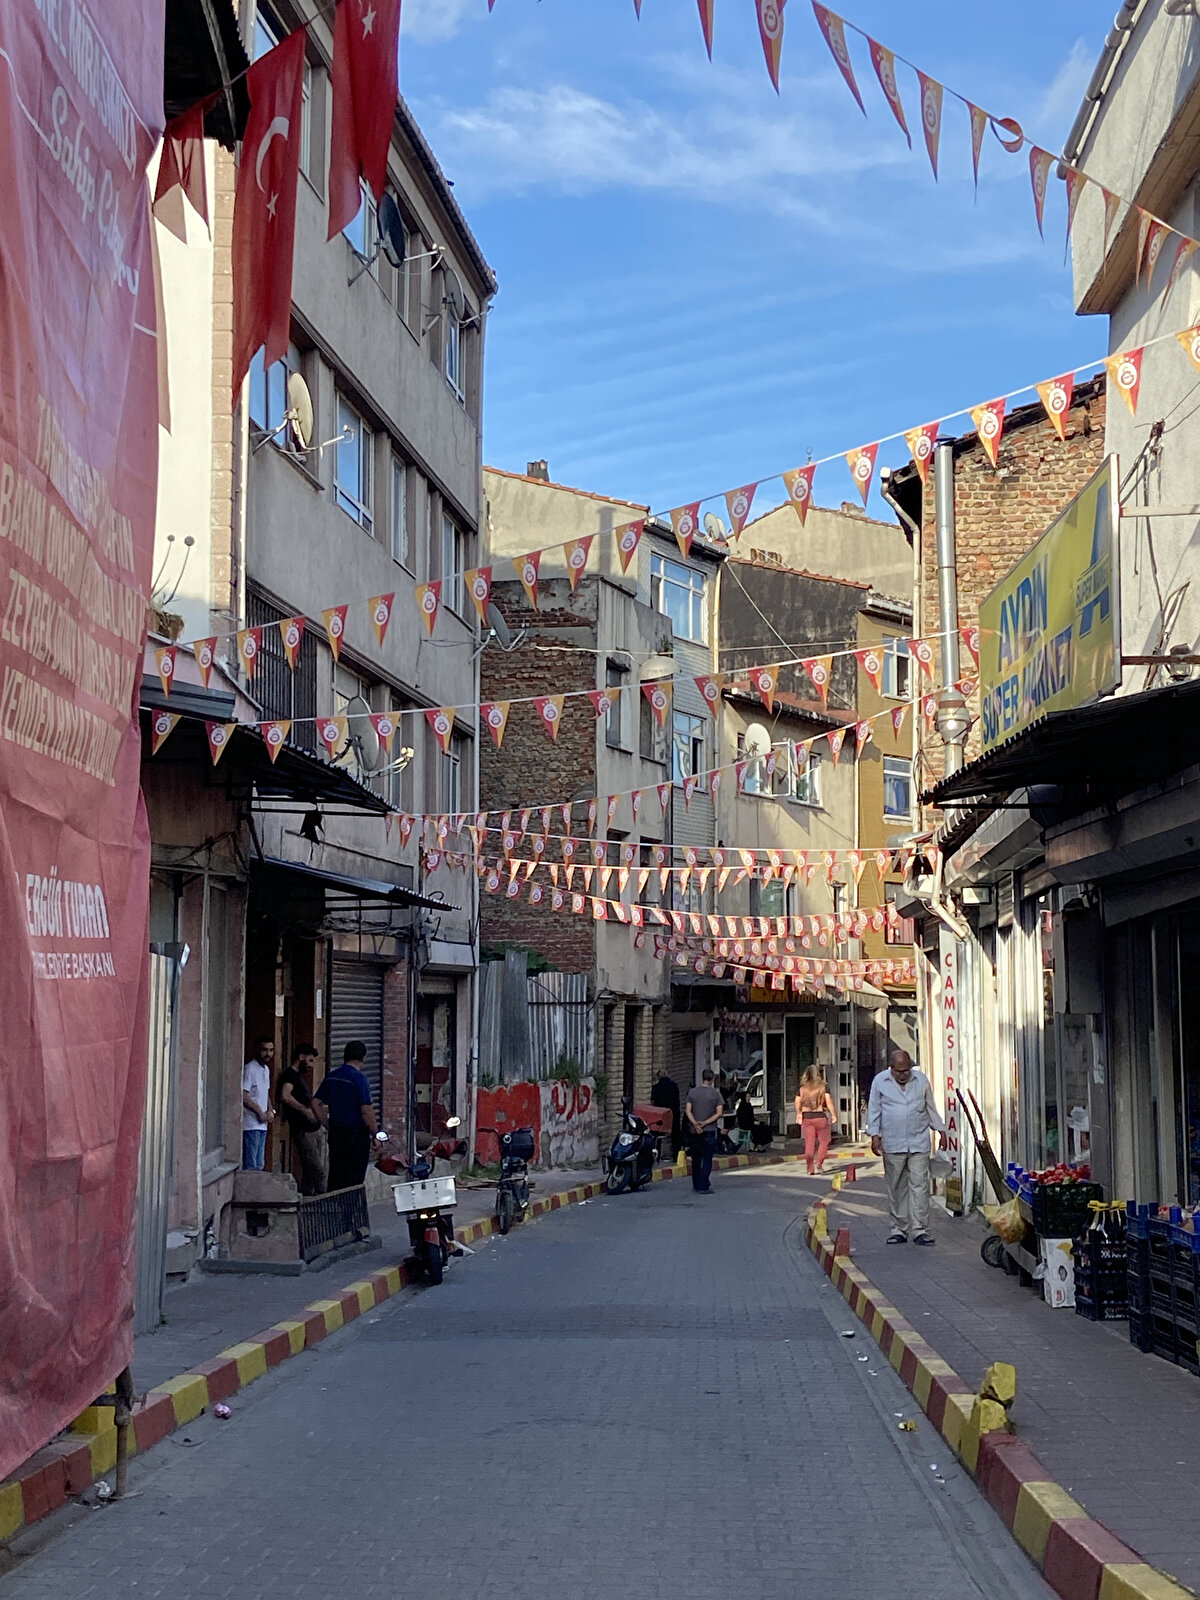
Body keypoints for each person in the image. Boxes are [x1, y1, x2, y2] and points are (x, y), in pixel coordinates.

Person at [867, 1048, 948, 1246]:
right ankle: (899, 1228)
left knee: (920, 1185)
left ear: (911, 1067)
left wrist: (941, 1130)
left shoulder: (920, 1081)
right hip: (893, 1143)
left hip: (919, 1141)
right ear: (891, 1068)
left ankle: (920, 1229)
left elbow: (930, 1107)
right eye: (898, 1071)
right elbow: (874, 1109)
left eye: (906, 1071)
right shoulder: (880, 1081)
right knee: (896, 1187)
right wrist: (874, 1135)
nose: (902, 1075)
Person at [316, 1041, 377, 1191]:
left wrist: (327, 1123)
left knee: (336, 1173)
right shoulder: (359, 1078)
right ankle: (351, 1211)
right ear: (363, 1058)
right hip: (356, 1135)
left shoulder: (332, 1077)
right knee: (354, 1178)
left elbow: (315, 1103)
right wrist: (375, 1134)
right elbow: (366, 1109)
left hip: (337, 1132)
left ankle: (333, 1208)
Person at [277, 1044, 327, 1195]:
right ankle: (324, 1199)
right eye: (310, 1060)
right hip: (303, 1130)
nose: (311, 1065)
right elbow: (285, 1096)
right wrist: (304, 1110)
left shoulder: (298, 1077)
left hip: (313, 1129)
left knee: (310, 1171)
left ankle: (309, 1198)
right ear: (301, 1058)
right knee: (318, 1170)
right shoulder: (290, 1076)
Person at [684, 1068, 724, 1194]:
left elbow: (687, 1111)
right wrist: (705, 1123)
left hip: (694, 1131)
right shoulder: (716, 1094)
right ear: (712, 1079)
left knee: (696, 1159)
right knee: (707, 1159)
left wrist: (695, 1124)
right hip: (709, 1130)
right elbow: (719, 1113)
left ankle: (696, 1184)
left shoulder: (692, 1092)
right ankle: (703, 1185)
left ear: (702, 1078)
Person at [794, 1065, 836, 1175]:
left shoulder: (802, 1088)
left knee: (809, 1143)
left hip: (807, 1117)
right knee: (824, 1141)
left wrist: (799, 1113)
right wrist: (833, 1114)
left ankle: (810, 1168)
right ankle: (819, 1162)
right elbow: (829, 1101)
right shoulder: (823, 1087)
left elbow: (797, 1101)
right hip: (820, 1116)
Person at [241, 1037, 275, 1170]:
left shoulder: (266, 1069)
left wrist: (270, 1111)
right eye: (264, 1050)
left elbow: (265, 1093)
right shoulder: (249, 1069)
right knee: (251, 1164)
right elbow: (245, 1095)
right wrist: (260, 1113)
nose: (268, 1054)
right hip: (250, 1124)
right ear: (257, 1050)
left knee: (260, 1164)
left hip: (263, 1125)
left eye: (271, 1050)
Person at [650, 1066, 683, 1161]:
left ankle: (657, 1155)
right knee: (675, 1135)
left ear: (658, 1077)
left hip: (660, 1114)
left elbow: (653, 1101)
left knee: (657, 1135)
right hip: (673, 1113)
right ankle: (676, 1156)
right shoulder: (674, 1086)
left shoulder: (656, 1088)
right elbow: (677, 1099)